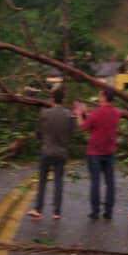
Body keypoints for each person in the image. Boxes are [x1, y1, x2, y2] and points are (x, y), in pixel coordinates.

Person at [74, 87, 121, 220]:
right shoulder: (117, 113)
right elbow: (98, 125)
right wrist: (86, 113)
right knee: (110, 182)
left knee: (95, 182)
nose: (99, 98)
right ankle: (109, 211)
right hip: (110, 151)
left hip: (94, 151)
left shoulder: (97, 113)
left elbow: (83, 127)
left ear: (105, 97)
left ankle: (95, 211)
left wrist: (79, 113)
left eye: (100, 96)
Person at [28, 87, 74, 220]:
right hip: (61, 151)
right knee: (58, 181)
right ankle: (57, 212)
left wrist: (43, 139)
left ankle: (38, 209)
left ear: (52, 98)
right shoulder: (69, 115)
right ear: (63, 99)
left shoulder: (44, 113)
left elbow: (38, 132)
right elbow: (72, 133)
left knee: (42, 181)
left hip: (47, 150)